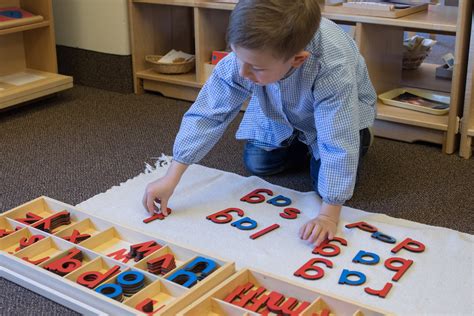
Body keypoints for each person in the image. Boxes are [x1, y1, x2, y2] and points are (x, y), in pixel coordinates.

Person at [142, 0, 376, 247]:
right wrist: (172, 176)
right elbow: (208, 113)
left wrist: (328, 215)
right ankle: (302, 144)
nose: (243, 72)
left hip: (337, 120)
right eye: (237, 57)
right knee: (258, 163)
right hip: (281, 110)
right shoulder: (250, 56)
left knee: (326, 187)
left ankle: (356, 141)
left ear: (297, 59)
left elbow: (337, 135)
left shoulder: (331, 65)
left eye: (255, 67)